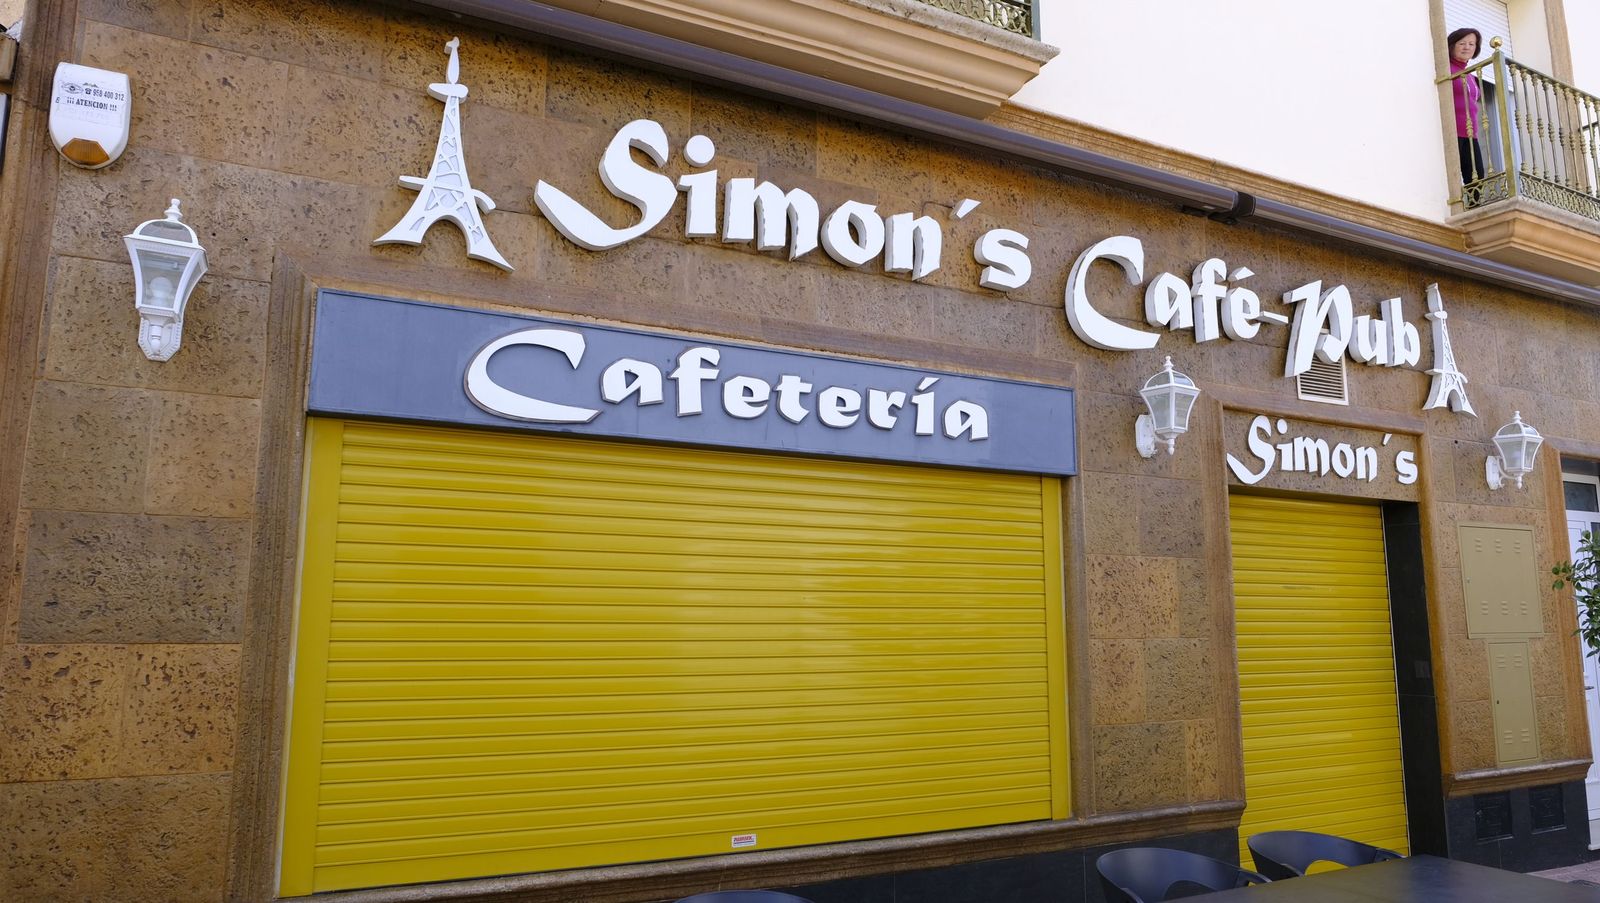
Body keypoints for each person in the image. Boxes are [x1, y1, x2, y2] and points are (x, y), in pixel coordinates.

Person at [1447, 27, 1486, 183]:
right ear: (1452, 46)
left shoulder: (1470, 75)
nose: (1467, 47)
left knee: (1477, 178)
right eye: (1462, 43)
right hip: (1452, 133)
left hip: (1470, 134)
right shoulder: (1446, 69)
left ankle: (1470, 208)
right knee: (1452, 177)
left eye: (1471, 44)